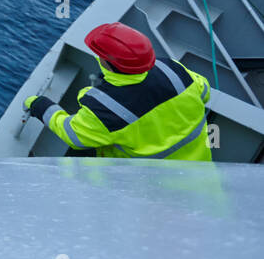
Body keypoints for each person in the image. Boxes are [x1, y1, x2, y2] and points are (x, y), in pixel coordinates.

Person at [24, 22, 212, 161]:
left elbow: (74, 135)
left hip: (150, 187)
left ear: (109, 64)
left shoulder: (105, 110)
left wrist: (39, 105)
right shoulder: (173, 70)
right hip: (200, 170)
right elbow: (204, 92)